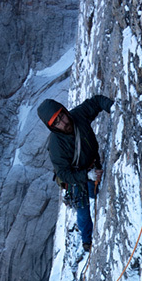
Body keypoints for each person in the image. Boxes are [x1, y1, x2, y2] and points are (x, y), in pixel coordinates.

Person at [37, 94, 113, 251]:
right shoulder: (56, 146)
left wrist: (111, 106)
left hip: (92, 164)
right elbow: (64, 174)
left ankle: (92, 191)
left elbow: (96, 102)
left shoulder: (78, 116)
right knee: (83, 209)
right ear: (52, 127)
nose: (64, 122)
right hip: (76, 177)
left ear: (64, 111)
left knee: (95, 191)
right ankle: (87, 240)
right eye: (57, 122)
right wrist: (85, 176)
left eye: (62, 116)